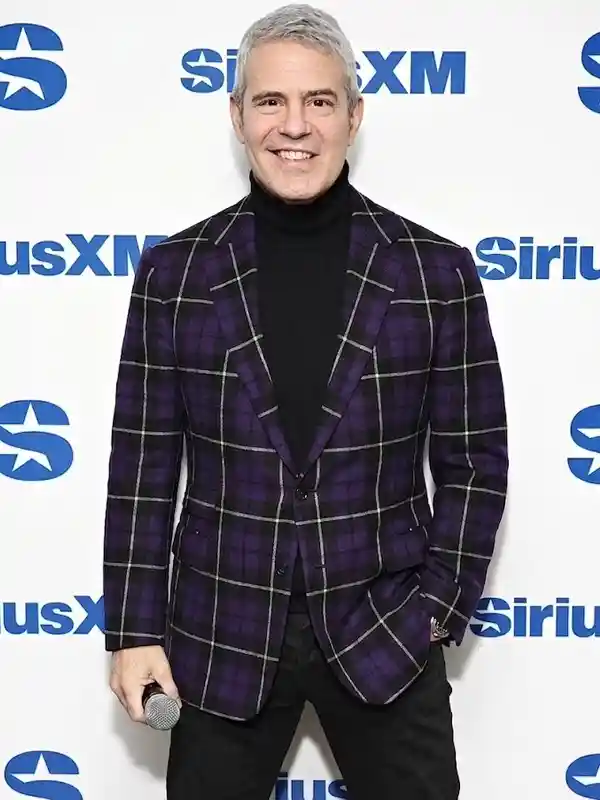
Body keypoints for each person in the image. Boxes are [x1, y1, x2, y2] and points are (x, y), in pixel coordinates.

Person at [102, 4, 509, 798]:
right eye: (271, 101)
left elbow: (476, 461)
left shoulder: (436, 273)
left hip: (387, 633)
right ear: (237, 116)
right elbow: (143, 468)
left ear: (354, 116)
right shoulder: (174, 275)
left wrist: (436, 609)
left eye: (319, 101)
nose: (295, 126)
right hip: (218, 634)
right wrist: (133, 628)